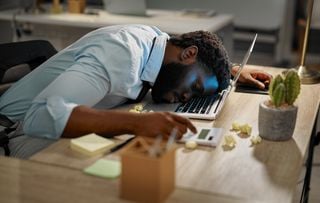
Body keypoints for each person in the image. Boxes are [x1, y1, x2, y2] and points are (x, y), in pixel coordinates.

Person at [0, 24, 272, 158]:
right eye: (195, 87)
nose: (188, 97)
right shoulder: (122, 55)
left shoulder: (156, 41)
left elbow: (185, 51)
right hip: (14, 137)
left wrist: (230, 71)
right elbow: (40, 117)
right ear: (189, 54)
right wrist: (136, 123)